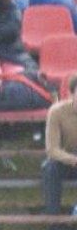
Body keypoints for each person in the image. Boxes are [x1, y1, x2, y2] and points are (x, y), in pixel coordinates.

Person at [43, 75, 77, 217]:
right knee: (50, 169)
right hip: (65, 162)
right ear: (71, 94)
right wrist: (74, 160)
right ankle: (54, 223)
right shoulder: (56, 112)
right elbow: (52, 149)